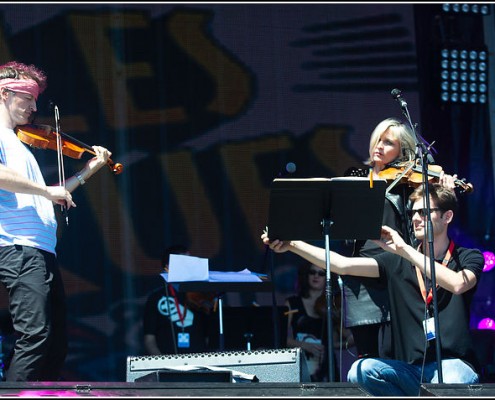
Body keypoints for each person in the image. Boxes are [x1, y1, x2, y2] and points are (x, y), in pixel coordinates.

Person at [262, 183, 483, 396]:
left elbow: (457, 283)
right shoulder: (396, 261)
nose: (415, 218)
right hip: (411, 370)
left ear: (447, 217)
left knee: (450, 379)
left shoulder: (467, 256)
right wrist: (291, 244)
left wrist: (404, 249)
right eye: (413, 212)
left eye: (424, 212)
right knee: (361, 370)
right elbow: (342, 264)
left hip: (454, 365)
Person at [0, 61, 112, 381]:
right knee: (35, 336)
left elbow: (55, 191)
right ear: (5, 93)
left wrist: (91, 168)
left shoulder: (18, 143)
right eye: (29, 99)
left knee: (55, 344)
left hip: (41, 251)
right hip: (17, 248)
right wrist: (45, 191)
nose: (34, 107)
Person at [341, 117, 457, 360]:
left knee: (396, 352)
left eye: (388, 142)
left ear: (402, 151)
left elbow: (432, 214)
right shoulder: (357, 176)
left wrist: (446, 190)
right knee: (367, 355)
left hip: (396, 266)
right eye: (378, 140)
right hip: (363, 269)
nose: (379, 146)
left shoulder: (409, 184)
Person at [285, 261, 354, 382]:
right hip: (301, 362)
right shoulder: (292, 303)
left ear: (327, 279)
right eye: (312, 272)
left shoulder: (332, 305)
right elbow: (281, 338)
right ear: (306, 275)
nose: (316, 276)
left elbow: (348, 338)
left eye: (322, 273)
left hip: (326, 365)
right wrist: (305, 346)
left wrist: (332, 345)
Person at [143, 245, 215, 355]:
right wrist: (161, 364)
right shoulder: (156, 297)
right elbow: (149, 339)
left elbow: (209, 336)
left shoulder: (201, 295)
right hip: (167, 364)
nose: (189, 267)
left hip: (200, 365)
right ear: (168, 267)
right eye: (184, 262)